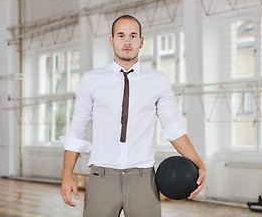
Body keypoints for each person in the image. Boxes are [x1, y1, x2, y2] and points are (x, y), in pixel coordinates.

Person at [60, 15, 206, 217]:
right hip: (101, 178)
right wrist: (66, 174)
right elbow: (77, 128)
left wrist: (198, 163)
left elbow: (172, 127)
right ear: (111, 41)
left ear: (141, 41)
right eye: (121, 36)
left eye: (133, 36)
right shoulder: (91, 80)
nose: (127, 42)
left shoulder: (158, 81)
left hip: (143, 180)